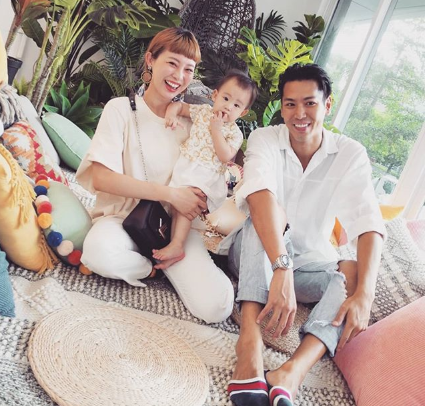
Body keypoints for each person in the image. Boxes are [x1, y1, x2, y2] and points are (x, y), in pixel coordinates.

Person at [225, 63, 386, 406]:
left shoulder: (350, 154)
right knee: (261, 214)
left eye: (310, 103)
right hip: (254, 255)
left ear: (327, 105)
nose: (299, 114)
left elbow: (368, 221)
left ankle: (292, 371)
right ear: (281, 107)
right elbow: (258, 195)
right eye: (290, 104)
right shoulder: (265, 138)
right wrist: (281, 266)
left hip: (308, 265)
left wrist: (366, 295)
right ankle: (249, 343)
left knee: (352, 273)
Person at [76, 27, 234, 324]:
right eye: (172, 63)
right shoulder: (121, 110)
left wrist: (200, 199)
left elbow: (209, 179)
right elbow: (101, 178)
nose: (179, 76)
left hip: (175, 232)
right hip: (122, 221)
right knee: (97, 252)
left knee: (218, 307)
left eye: (189, 69)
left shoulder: (198, 125)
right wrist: (170, 194)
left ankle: (173, 264)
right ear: (150, 60)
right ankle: (149, 269)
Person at [152, 70, 258, 268]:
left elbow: (225, 156)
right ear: (215, 95)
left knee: (187, 203)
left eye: (236, 105)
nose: (228, 106)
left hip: (206, 176)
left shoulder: (234, 133)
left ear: (243, 112)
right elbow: (179, 106)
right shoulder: (202, 111)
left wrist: (216, 130)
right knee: (177, 207)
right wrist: (171, 114)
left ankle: (177, 245)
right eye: (226, 98)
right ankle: (173, 241)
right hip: (186, 167)